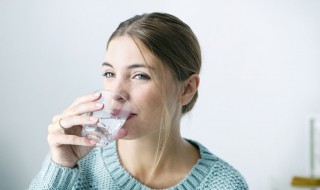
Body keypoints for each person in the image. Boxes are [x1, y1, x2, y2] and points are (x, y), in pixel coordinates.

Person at [29, 12, 248, 190]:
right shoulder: (75, 162)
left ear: (187, 89)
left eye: (140, 76)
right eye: (109, 74)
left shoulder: (224, 184)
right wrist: (61, 167)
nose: (116, 93)